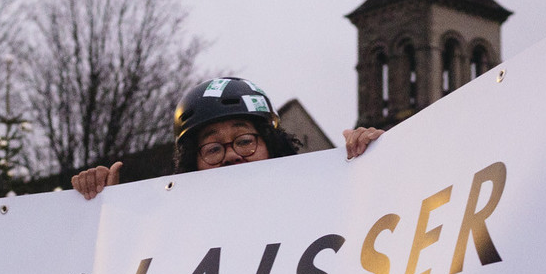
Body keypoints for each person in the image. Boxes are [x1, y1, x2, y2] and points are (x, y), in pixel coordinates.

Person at [70, 77, 383, 199]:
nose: (232, 155)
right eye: (214, 148)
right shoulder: (165, 230)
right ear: (194, 162)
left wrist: (378, 160)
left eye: (245, 141)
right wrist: (102, 210)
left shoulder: (318, 199)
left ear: (270, 146)